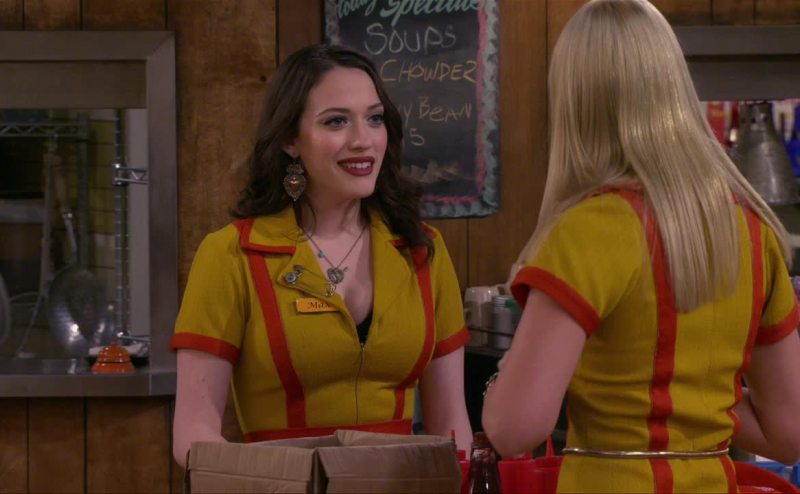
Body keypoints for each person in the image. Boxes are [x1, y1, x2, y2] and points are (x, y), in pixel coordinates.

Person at [481, 1, 800, 492]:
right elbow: (789, 433)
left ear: (573, 102)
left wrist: (498, 388)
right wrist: (690, 399)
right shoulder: (752, 230)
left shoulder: (587, 230)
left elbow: (514, 428)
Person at [171, 44, 472, 467]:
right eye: (336, 121)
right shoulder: (231, 255)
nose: (362, 140)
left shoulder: (422, 249)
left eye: (374, 118)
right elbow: (193, 433)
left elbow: (451, 423)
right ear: (290, 140)